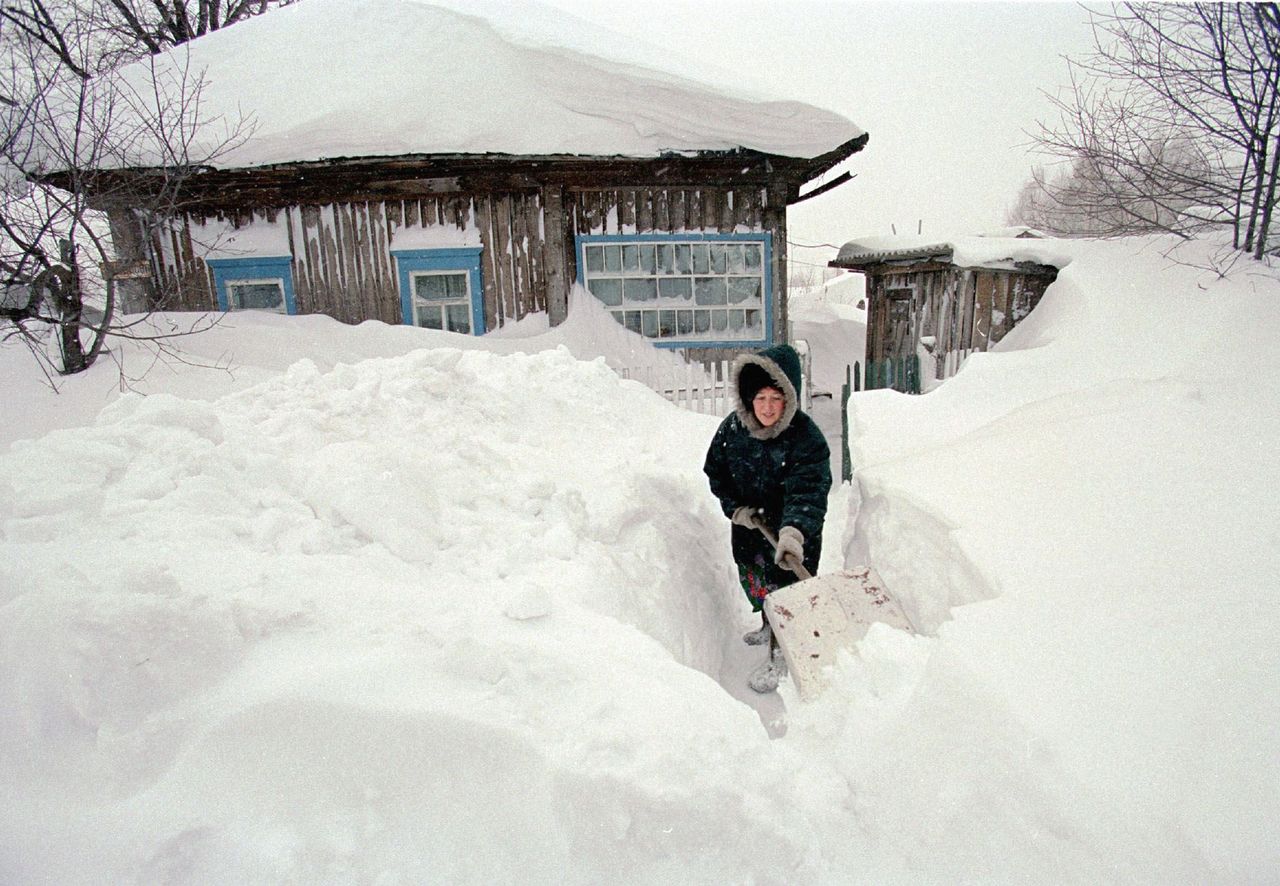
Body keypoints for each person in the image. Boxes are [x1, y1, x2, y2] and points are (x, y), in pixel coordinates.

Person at [703, 343, 831, 693]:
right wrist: (736, 509)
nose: (768, 407)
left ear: (789, 397)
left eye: (776, 398)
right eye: (760, 398)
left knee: (785, 590)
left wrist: (794, 532)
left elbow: (809, 491)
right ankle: (766, 625)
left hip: (789, 534)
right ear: (748, 398)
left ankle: (779, 657)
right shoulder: (733, 431)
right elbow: (716, 472)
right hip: (749, 530)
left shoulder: (806, 439)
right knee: (758, 582)